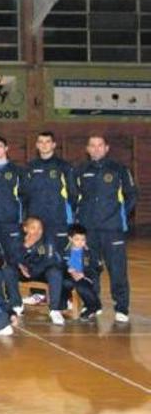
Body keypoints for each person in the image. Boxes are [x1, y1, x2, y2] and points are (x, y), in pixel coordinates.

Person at [73, 135, 137, 323]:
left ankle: (122, 307)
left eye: (100, 145)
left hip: (112, 229)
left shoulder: (119, 170)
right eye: (92, 145)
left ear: (106, 148)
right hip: (88, 230)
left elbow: (131, 195)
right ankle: (93, 305)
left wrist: (118, 215)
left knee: (117, 269)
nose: (96, 148)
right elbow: (74, 197)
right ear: (87, 149)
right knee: (90, 269)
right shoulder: (80, 170)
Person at [23, 132, 75, 251]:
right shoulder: (30, 167)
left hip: (58, 219)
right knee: (38, 253)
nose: (44, 145)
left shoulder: (64, 166)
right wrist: (28, 216)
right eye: (41, 142)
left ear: (54, 145)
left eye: (48, 142)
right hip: (36, 219)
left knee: (59, 255)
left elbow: (73, 193)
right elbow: (25, 193)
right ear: (37, 145)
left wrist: (68, 214)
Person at [12, 217, 64, 325]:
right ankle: (17, 303)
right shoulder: (19, 239)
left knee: (55, 272)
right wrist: (25, 247)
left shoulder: (48, 239)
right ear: (25, 229)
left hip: (41, 272)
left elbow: (48, 260)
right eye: (33, 228)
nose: (37, 231)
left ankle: (54, 310)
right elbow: (13, 258)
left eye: (40, 228)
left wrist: (33, 271)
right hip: (25, 271)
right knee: (8, 270)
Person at [61, 224, 103, 322]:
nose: (80, 242)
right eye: (77, 239)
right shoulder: (64, 250)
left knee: (81, 286)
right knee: (65, 283)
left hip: (83, 277)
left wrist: (84, 274)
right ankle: (62, 304)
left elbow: (98, 267)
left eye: (83, 239)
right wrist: (68, 270)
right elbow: (59, 264)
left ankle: (93, 306)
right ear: (70, 238)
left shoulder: (89, 252)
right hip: (69, 277)